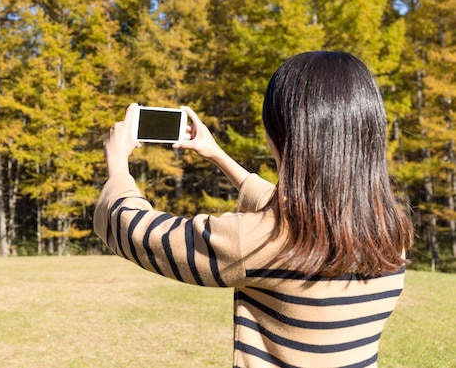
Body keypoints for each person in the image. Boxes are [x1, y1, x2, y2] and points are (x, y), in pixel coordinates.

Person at [93, 51, 414, 368]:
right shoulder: (390, 231)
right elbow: (302, 213)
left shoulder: (263, 240)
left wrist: (117, 163)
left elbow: (138, 232)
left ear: (279, 134)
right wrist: (217, 155)